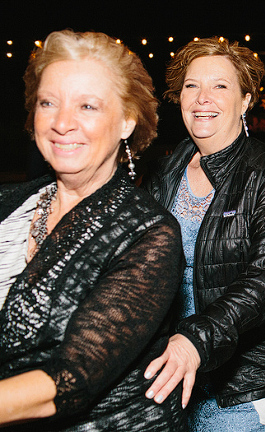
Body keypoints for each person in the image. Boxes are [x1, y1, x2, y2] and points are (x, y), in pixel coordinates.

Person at [0, 29, 183, 431]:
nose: (62, 122)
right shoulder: (7, 203)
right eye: (49, 102)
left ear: (126, 122)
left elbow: (72, 379)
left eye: (88, 106)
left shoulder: (149, 234)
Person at [143, 37, 265, 430]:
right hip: (171, 367)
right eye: (191, 85)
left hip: (245, 377)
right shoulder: (164, 172)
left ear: (246, 100)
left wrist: (199, 338)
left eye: (220, 86)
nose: (203, 98)